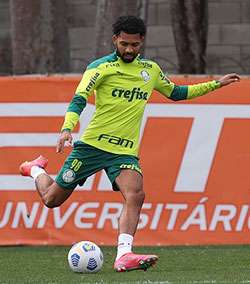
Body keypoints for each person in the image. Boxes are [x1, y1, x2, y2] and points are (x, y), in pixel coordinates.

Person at [19, 15, 240, 272]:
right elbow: (79, 98)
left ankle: (124, 254)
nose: (129, 49)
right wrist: (67, 128)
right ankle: (34, 169)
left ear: (142, 42)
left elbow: (177, 93)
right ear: (115, 40)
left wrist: (216, 84)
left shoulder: (150, 71)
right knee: (51, 199)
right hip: (92, 146)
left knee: (136, 193)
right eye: (124, 44)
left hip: (123, 151)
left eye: (134, 45)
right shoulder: (100, 67)